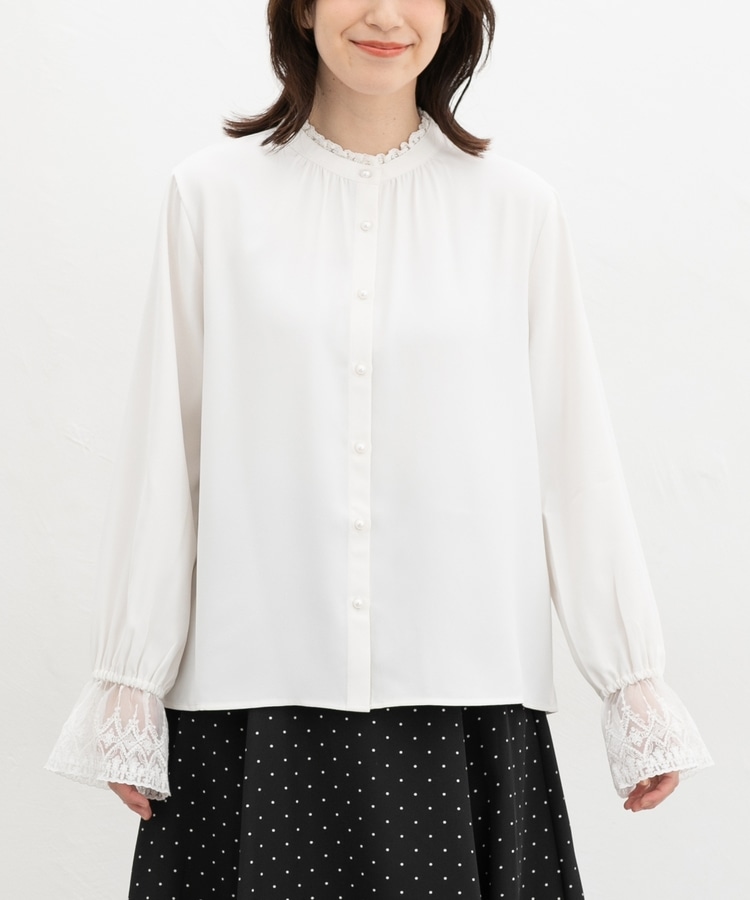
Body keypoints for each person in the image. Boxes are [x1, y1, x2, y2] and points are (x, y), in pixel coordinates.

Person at [47, 1, 712, 897]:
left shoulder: (515, 210)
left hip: (465, 696)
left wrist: (631, 682)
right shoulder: (209, 197)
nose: (386, 15)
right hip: (255, 694)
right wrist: (130, 677)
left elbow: (572, 461)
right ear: (302, 9)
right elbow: (168, 453)